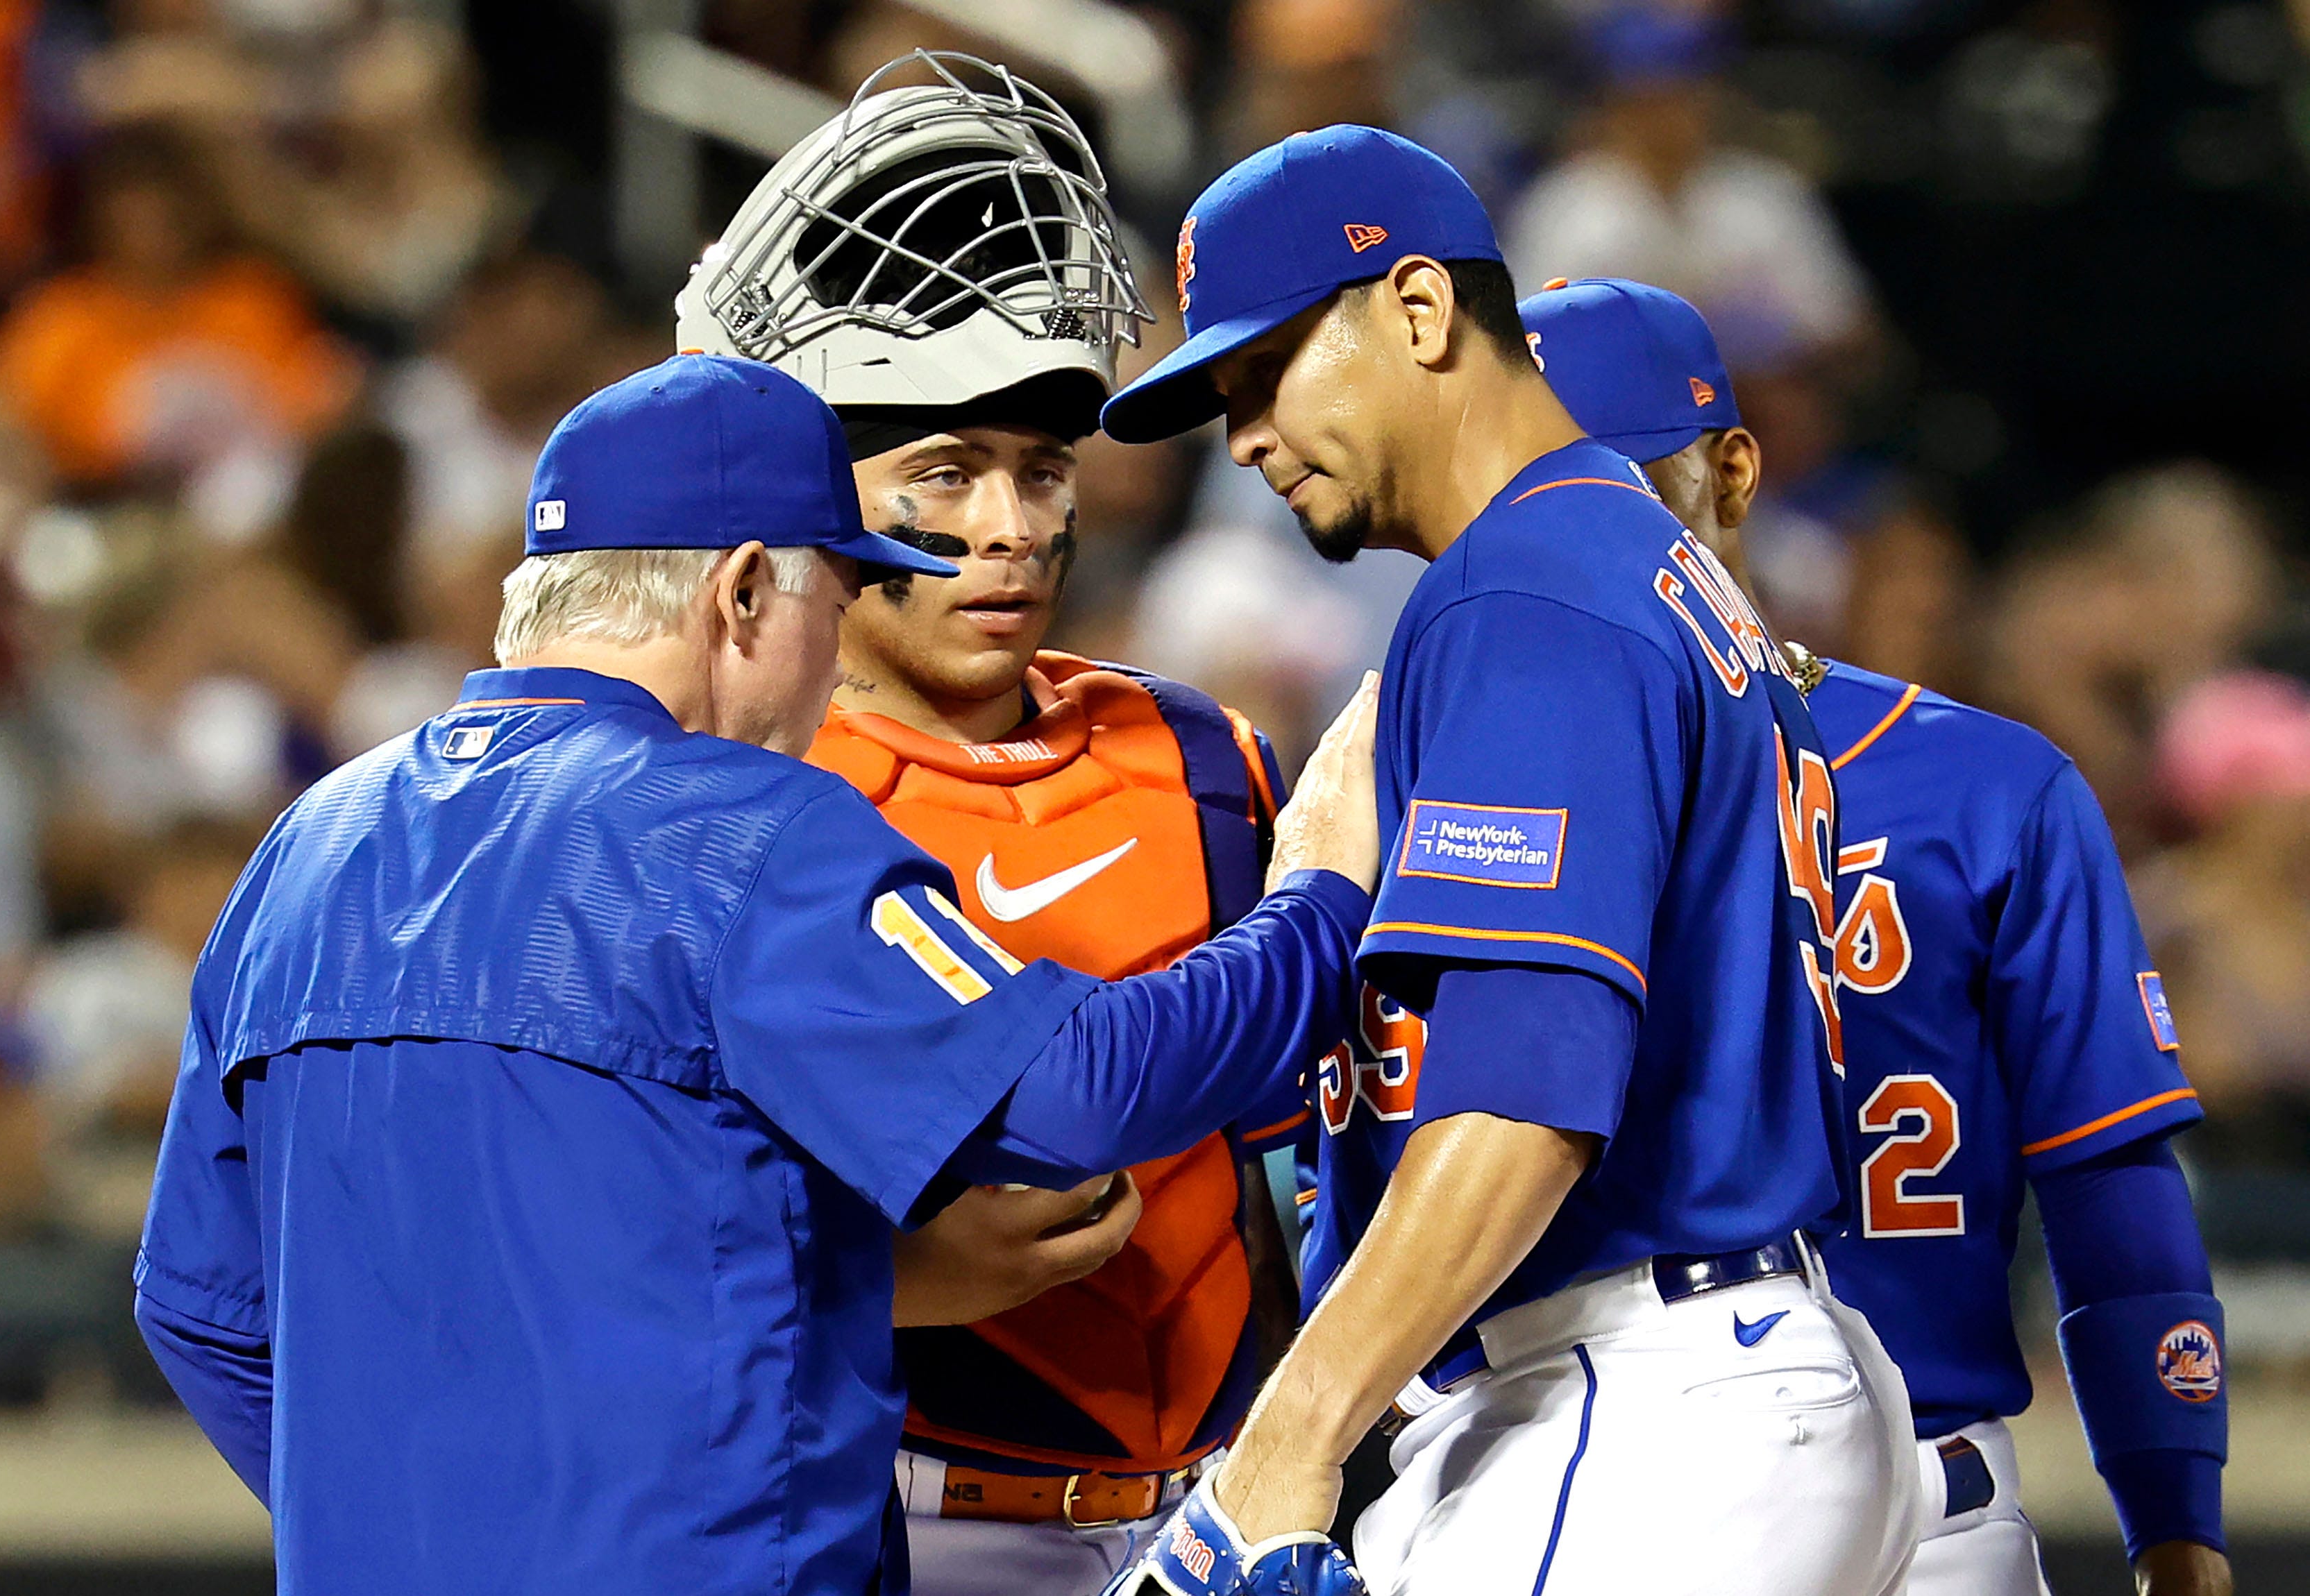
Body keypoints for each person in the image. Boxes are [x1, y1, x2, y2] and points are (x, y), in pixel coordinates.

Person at [133, 351, 1385, 1596]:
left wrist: (416, 1529)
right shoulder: (738, 825)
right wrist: (1321, 894)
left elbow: (198, 1308)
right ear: (740, 595)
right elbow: (1078, 1093)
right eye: (833, 607)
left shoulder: (314, 842)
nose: (833, 660)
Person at [1094, 126, 1915, 1595]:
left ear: (1415, 311)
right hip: (1720, 1369)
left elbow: (1521, 1095)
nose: (1244, 438)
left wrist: (1278, 1449)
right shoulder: (1636, 562)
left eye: (1263, 372)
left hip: (1631, 1395)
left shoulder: (1527, 589)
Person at [676, 53, 1306, 1594]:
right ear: (826, 505)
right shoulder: (737, 802)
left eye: (1040, 471)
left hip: (1233, 1502)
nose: (1007, 527)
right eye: (944, 472)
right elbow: (633, 1212)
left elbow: (1312, 1158)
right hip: (904, 1516)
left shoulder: (1205, 753)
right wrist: (869, 1280)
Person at [1519, 276, 2232, 1596]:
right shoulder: (1438, 786)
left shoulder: (1986, 788)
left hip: (1929, 1494)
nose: (1565, 542)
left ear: (1731, 476)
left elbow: (2109, 1178)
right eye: (1524, 497)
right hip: (1584, 1482)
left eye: (1614, 488)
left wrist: (2175, 1525)